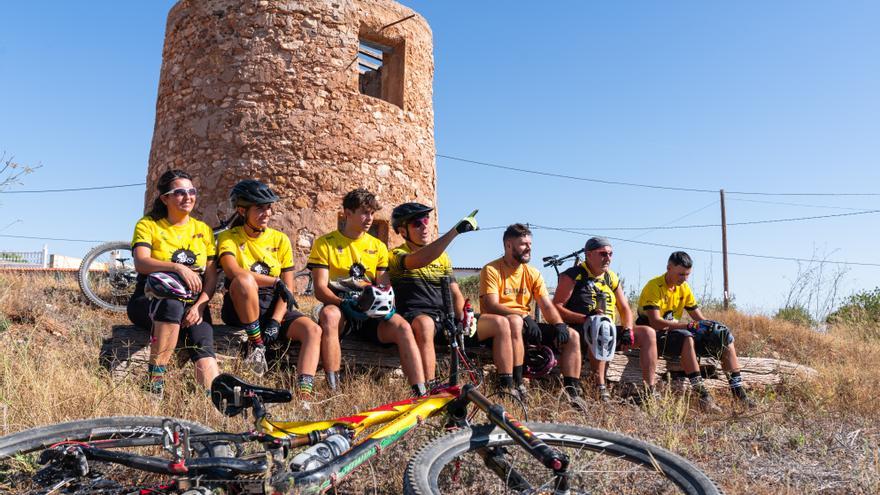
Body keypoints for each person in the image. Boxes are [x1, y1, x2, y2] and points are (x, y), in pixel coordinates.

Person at [307, 188, 428, 396]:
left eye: (372, 213)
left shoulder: (378, 246)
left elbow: (383, 283)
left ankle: (421, 393)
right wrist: (343, 303)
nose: (369, 218)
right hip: (340, 306)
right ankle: (334, 391)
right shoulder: (324, 243)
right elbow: (320, 289)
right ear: (347, 213)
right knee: (329, 314)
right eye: (364, 212)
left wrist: (387, 305)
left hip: (369, 309)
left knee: (402, 326)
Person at [216, 179, 322, 398]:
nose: (267, 212)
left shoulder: (280, 239)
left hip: (275, 304)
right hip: (242, 302)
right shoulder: (230, 237)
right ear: (242, 211)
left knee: (313, 330)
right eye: (260, 208)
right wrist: (274, 281)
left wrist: (275, 321)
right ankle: (258, 346)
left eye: (268, 207)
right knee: (245, 280)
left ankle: (304, 395)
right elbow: (232, 270)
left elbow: (289, 287)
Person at [127, 169, 220, 397]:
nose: (187, 197)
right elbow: (141, 262)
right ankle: (154, 385)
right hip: (150, 298)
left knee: (203, 343)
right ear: (165, 198)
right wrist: (177, 267)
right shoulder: (148, 225)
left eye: (191, 191)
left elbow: (211, 276)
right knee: (171, 306)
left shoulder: (203, 230)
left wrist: (200, 307)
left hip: (194, 303)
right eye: (179, 192)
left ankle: (215, 403)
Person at [636, 251, 755, 411]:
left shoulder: (683, 287)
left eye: (687, 275)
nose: (684, 278)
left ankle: (738, 392)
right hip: (655, 336)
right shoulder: (654, 286)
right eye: (680, 274)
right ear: (668, 268)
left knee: (722, 335)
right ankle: (703, 396)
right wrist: (687, 326)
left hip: (675, 333)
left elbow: (699, 318)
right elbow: (656, 323)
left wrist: (711, 327)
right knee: (686, 337)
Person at [479, 224, 582, 406]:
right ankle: (515, 384)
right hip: (498, 325)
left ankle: (572, 392)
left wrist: (559, 324)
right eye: (523, 244)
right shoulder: (492, 269)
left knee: (573, 335)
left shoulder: (533, 273)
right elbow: (491, 304)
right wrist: (523, 316)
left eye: (530, 244)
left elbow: (546, 305)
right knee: (514, 321)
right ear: (509, 245)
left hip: (523, 324)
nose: (529, 248)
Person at [552, 237, 658, 403]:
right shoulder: (573, 275)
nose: (607, 258)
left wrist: (628, 329)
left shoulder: (611, 277)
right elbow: (556, 307)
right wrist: (586, 318)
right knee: (600, 325)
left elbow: (624, 309)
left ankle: (649, 390)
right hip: (582, 329)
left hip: (606, 328)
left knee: (648, 333)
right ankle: (599, 386)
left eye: (610, 254)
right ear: (588, 254)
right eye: (602, 254)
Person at [387, 203, 478, 388]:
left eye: (427, 220)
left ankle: (510, 384)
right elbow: (420, 259)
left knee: (502, 324)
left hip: (444, 318)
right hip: (416, 317)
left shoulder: (443, 258)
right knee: (425, 323)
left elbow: (455, 292)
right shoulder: (396, 255)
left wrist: (465, 315)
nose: (425, 226)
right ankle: (430, 388)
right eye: (417, 223)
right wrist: (455, 232)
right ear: (403, 232)